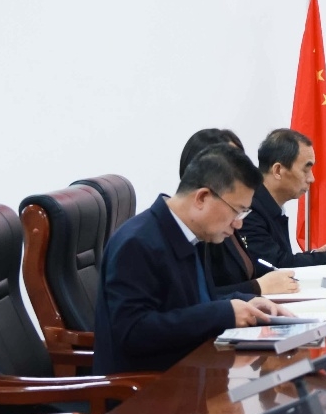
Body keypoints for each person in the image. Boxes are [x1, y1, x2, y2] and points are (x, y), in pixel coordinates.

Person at [94, 144, 290, 374]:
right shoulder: (137, 243)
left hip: (193, 372)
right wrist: (223, 313)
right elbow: (134, 332)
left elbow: (193, 302)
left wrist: (245, 302)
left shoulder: (191, 234)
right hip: (148, 385)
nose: (238, 224)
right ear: (202, 198)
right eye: (237, 211)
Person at [178, 129, 299, 297]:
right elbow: (199, 298)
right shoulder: (196, 232)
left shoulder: (228, 221)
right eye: (232, 162)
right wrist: (256, 287)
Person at [241, 128, 326, 269]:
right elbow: (276, 266)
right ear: (278, 170)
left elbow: (283, 259)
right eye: (305, 170)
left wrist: (316, 255)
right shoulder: (248, 210)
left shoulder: (267, 206)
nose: (312, 179)